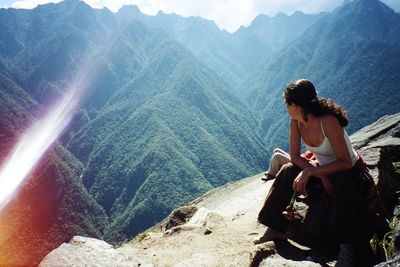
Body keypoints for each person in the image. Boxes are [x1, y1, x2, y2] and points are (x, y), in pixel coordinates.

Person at [256, 79, 378, 264]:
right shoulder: (296, 121)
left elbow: (345, 162)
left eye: (287, 103)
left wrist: (311, 173)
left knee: (344, 186)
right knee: (288, 169)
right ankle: (275, 228)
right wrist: (317, 173)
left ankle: (346, 247)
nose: (286, 108)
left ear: (295, 105)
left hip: (349, 172)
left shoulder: (328, 122)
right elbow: (295, 156)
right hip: (323, 170)